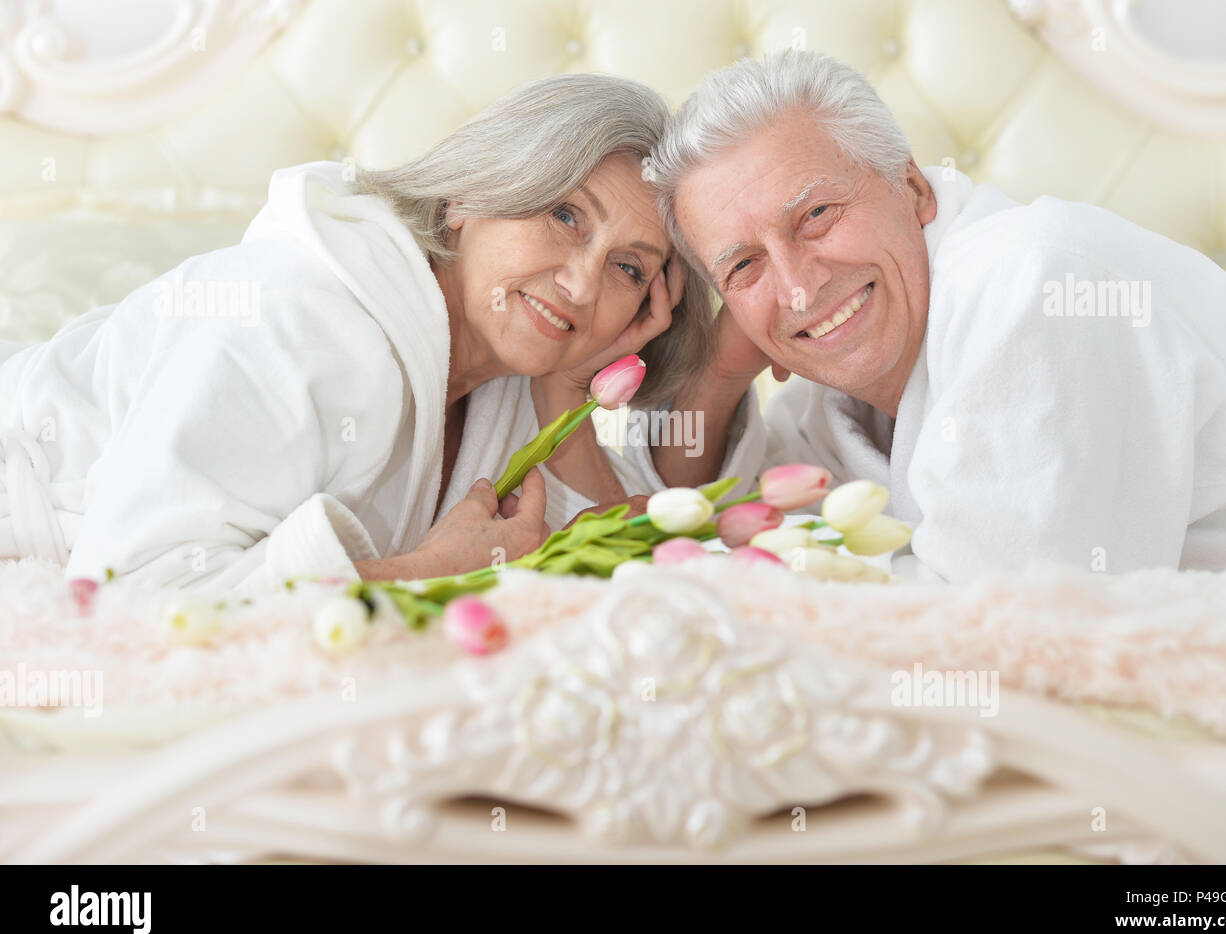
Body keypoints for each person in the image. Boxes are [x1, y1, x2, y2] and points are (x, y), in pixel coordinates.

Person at [0, 73, 712, 594]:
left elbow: (604, 577)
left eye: (627, 268)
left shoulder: (505, 377)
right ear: (468, 196)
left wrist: (569, 386)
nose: (584, 286)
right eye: (565, 216)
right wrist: (421, 573)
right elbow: (126, 594)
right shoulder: (301, 321)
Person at [634, 49, 1226, 582]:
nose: (799, 287)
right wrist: (721, 370)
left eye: (816, 215)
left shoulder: (1030, 283)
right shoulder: (840, 396)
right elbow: (701, 517)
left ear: (914, 189)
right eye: (743, 266)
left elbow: (1011, 627)